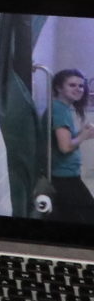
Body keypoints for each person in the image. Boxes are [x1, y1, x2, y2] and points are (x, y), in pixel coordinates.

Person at [52, 70, 92, 221]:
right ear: (58, 88)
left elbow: (65, 140)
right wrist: (83, 136)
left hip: (65, 175)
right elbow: (65, 147)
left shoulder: (61, 108)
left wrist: (82, 133)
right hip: (64, 177)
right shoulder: (59, 111)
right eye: (72, 85)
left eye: (81, 86)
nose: (78, 89)